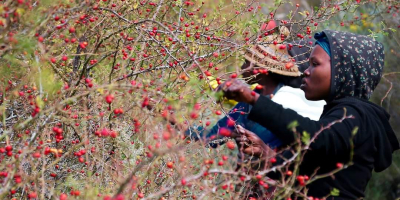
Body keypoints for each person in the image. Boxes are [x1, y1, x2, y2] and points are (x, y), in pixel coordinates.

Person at [218, 30, 400, 199]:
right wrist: (266, 154)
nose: (305, 70)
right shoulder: (339, 114)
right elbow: (310, 172)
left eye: (315, 64)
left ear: (342, 71)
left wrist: (253, 99)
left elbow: (314, 136)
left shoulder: (356, 115)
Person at [185, 31, 325, 150]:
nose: (241, 67)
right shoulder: (246, 103)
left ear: (261, 71)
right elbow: (211, 136)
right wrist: (177, 123)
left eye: (246, 62)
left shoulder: (289, 100)